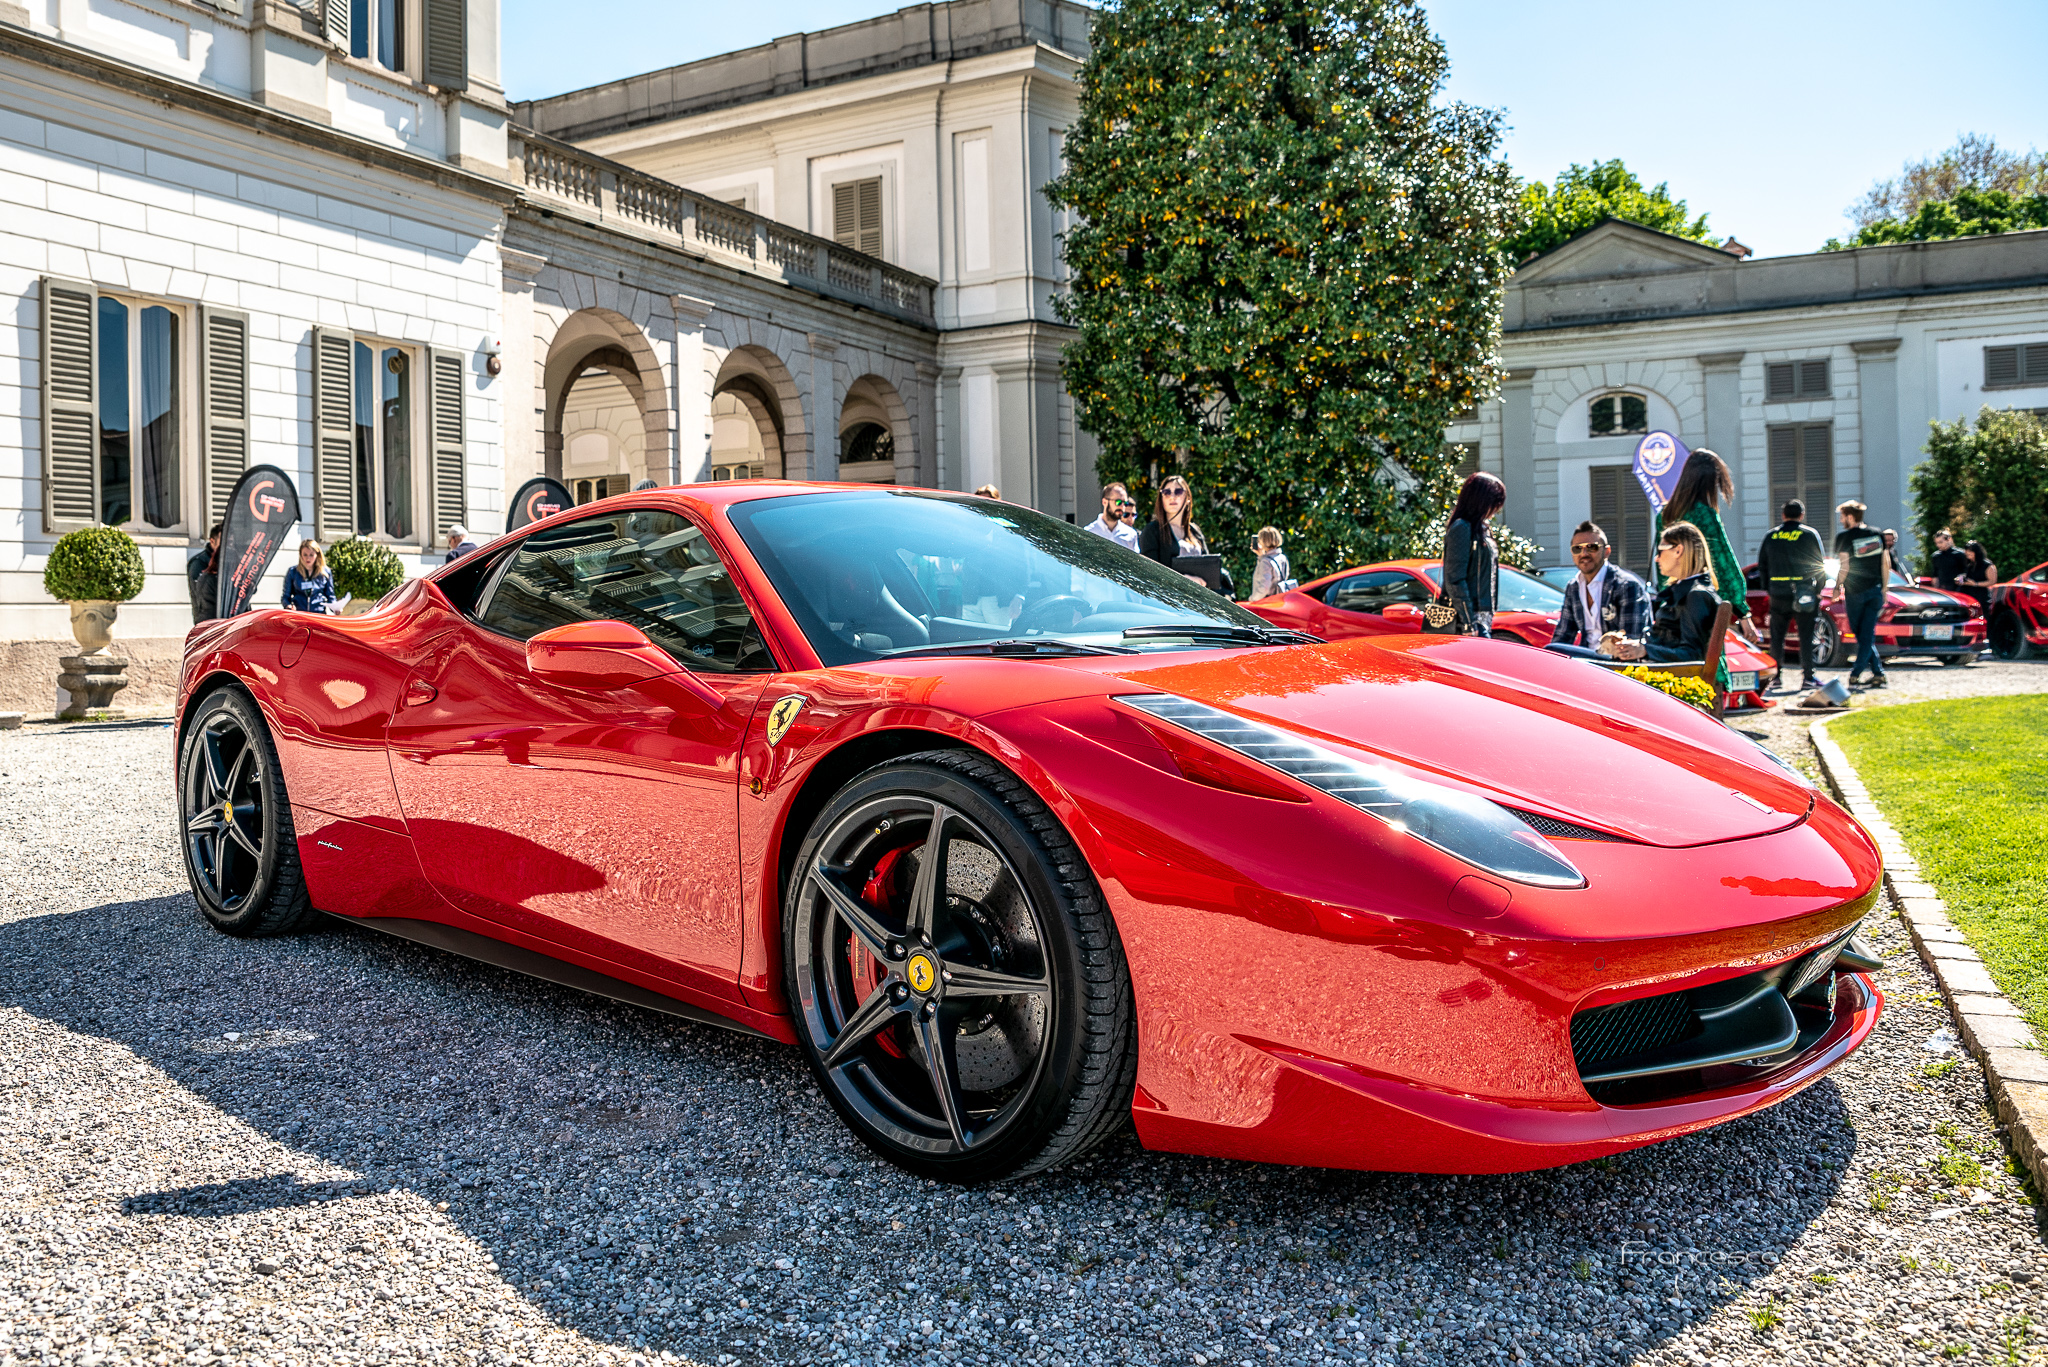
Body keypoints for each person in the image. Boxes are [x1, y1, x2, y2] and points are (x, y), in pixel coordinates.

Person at [1604, 523, 1724, 663]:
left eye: (1660, 551)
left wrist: (1644, 650)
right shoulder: (1684, 589)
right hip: (1654, 671)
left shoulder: (1696, 595)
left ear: (1678, 551)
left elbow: (1693, 655)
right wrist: (1633, 646)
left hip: (1665, 677)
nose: (1656, 558)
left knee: (1576, 657)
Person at [1545, 520, 1649, 657]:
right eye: (1577, 549)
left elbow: (1631, 639)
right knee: (1552, 651)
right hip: (1588, 659)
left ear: (1607, 552)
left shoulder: (1626, 585)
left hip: (1616, 659)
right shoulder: (1573, 587)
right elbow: (1563, 634)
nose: (1584, 554)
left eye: (1591, 547)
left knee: (1554, 650)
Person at [1757, 499, 1827, 690]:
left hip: (1778, 593)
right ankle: (1808, 678)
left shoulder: (1772, 536)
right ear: (1802, 515)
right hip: (1804, 592)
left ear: (1783, 515)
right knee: (1806, 636)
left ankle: (1776, 677)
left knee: (1777, 637)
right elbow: (1819, 564)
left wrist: (1768, 588)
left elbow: (1761, 564)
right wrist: (1818, 590)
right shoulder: (1809, 534)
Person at [1139, 474, 1232, 593]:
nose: (1172, 497)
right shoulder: (1152, 530)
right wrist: (1184, 580)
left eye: (1178, 492)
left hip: (1198, 601)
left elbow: (1208, 567)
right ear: (1161, 498)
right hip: (1167, 602)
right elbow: (1149, 573)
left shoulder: (1194, 531)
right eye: (1167, 492)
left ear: (1187, 498)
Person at [1832, 500, 1889, 689]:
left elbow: (1845, 566)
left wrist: (1837, 586)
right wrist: (1885, 589)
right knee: (1866, 635)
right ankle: (1878, 673)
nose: (1841, 521)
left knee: (1862, 634)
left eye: (1842, 517)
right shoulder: (1876, 535)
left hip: (1855, 592)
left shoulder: (1844, 538)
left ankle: (1855, 673)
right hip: (1875, 590)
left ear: (1850, 517)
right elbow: (1884, 563)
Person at [1441, 472, 1503, 637]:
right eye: (1494, 503)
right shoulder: (1462, 528)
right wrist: (1468, 622)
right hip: (1466, 621)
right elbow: (1455, 579)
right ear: (1481, 501)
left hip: (1481, 618)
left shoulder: (1481, 529)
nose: (1495, 510)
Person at [281, 540, 338, 614]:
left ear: (317, 555)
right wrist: (288, 606)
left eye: (311, 555)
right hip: (300, 614)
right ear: (301, 555)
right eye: (305, 554)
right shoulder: (293, 572)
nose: (308, 558)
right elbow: (286, 596)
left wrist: (336, 608)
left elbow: (330, 596)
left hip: (318, 614)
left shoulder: (325, 573)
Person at [1083, 482, 1140, 552]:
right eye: (1118, 502)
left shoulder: (1131, 534)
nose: (1122, 506)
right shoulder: (1089, 532)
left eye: (1125, 503)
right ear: (1104, 502)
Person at [186, 522, 223, 624]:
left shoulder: (232, 561)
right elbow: (199, 592)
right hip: (208, 621)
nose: (227, 546)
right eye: (223, 542)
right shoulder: (199, 562)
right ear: (212, 541)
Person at [1957, 539, 1999, 613]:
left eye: (1970, 551)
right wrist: (1960, 579)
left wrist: (1976, 584)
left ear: (1977, 552)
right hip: (1968, 597)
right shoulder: (1969, 564)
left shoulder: (1987, 565)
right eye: (1966, 550)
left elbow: (1992, 581)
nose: (1967, 553)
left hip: (1981, 597)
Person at [1251, 527, 1290, 600]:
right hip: (1279, 599)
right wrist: (1261, 556)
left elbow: (1264, 587)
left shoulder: (1265, 562)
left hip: (1266, 602)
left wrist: (1252, 599)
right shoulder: (1282, 557)